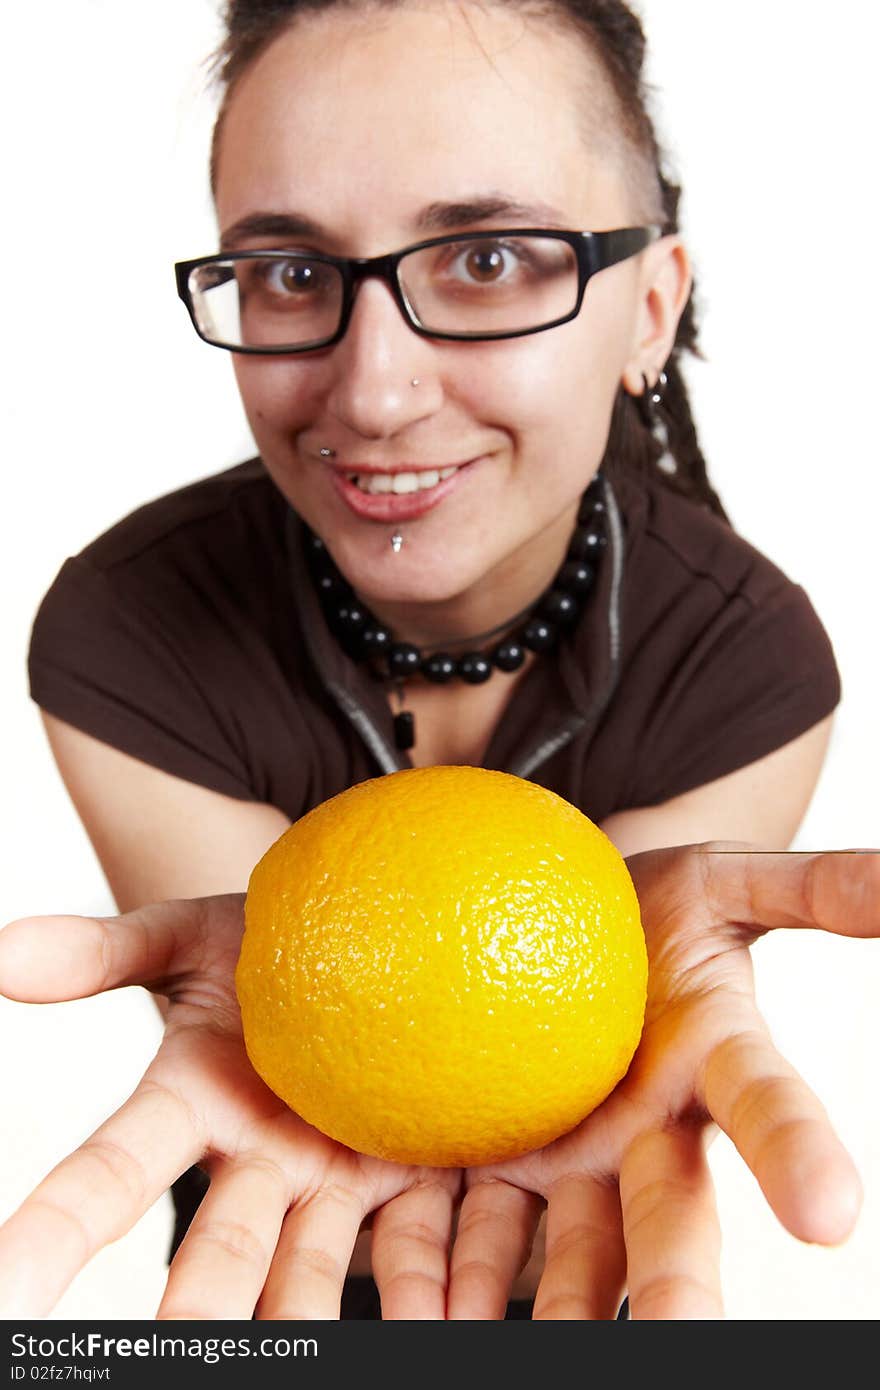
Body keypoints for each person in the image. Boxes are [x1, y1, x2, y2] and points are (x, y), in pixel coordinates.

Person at [0, 0, 875, 1319]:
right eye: (292, 273)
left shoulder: (743, 660)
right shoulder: (127, 626)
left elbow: (567, 1130)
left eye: (486, 261)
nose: (374, 392)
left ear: (648, 308)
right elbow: (310, 1055)